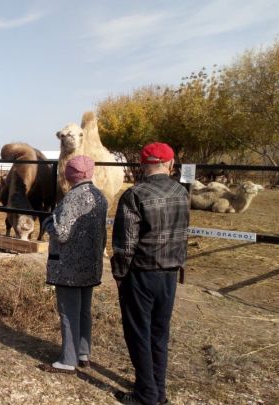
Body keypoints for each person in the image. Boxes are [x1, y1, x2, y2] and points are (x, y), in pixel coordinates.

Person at [111, 142, 189, 405]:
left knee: (138, 332)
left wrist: (120, 273)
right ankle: (159, 390)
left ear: (144, 165)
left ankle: (146, 394)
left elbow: (125, 245)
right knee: (159, 332)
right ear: (170, 164)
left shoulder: (134, 195)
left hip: (141, 273)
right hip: (169, 273)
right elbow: (183, 234)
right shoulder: (182, 192)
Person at [39, 155, 108, 374]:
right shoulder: (100, 197)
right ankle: (83, 353)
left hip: (69, 268)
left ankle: (68, 361)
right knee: (84, 310)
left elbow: (61, 233)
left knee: (69, 312)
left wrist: (48, 221)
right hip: (91, 265)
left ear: (70, 175)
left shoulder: (72, 198)